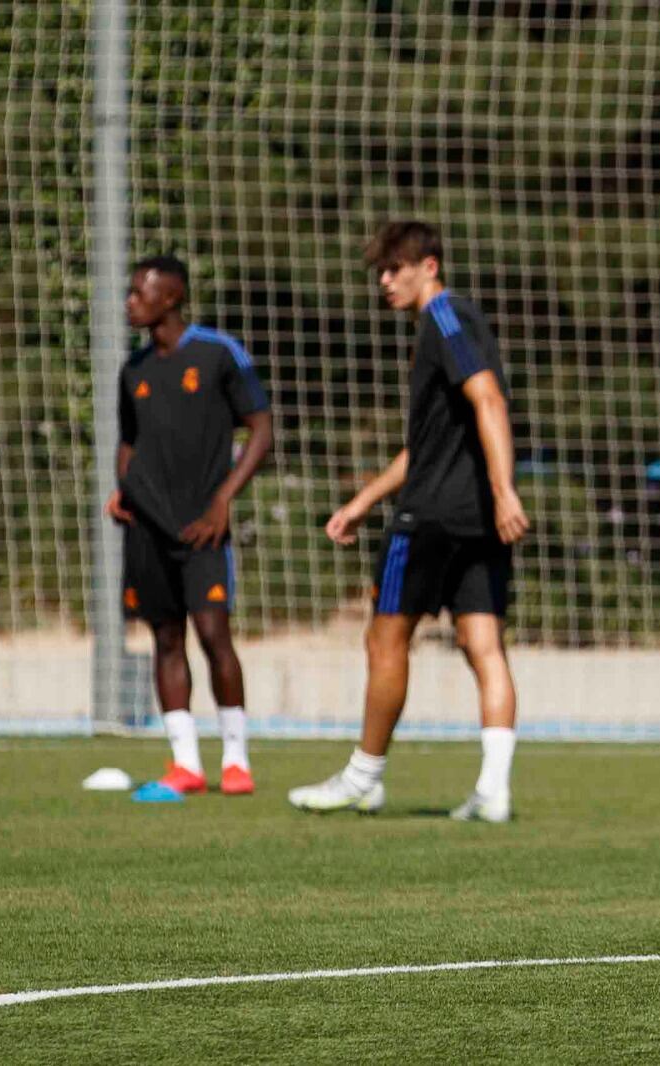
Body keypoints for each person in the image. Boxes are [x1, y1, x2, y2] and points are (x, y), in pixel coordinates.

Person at [288, 222, 529, 822]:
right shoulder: (456, 323)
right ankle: (493, 790)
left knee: (386, 637)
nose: (386, 281)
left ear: (429, 264)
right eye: (380, 272)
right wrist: (362, 501)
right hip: (475, 519)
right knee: (484, 644)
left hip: (431, 518)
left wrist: (506, 491)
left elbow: (490, 400)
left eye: (395, 268)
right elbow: (426, 446)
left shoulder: (444, 319)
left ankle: (363, 777)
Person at [108, 255, 273, 799]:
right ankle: (185, 765)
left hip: (204, 528)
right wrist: (124, 489)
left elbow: (261, 427)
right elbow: (129, 442)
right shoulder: (133, 370)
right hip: (147, 530)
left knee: (213, 636)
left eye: (140, 292)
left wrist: (224, 499)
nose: (130, 301)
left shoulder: (217, 353)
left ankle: (236, 761)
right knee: (165, 638)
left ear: (172, 296)